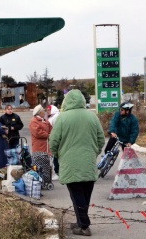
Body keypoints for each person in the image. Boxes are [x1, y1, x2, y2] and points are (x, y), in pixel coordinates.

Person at [49, 89, 105, 236]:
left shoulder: (62, 117)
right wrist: (94, 152)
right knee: (85, 195)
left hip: (70, 163)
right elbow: (101, 139)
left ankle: (84, 226)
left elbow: (53, 141)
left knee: (76, 195)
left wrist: (59, 154)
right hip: (88, 162)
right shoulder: (92, 116)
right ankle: (81, 222)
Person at [46, 104, 60, 181]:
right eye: (47, 110)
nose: (47, 111)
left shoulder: (55, 117)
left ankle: (57, 172)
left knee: (55, 156)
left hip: (55, 139)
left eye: (48, 110)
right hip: (54, 138)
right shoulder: (53, 116)